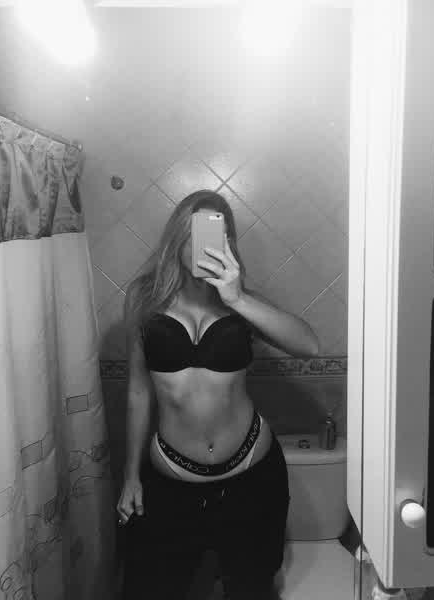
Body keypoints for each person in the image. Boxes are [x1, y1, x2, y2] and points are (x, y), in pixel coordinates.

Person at [116, 190, 320, 600]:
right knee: (151, 587)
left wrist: (237, 298)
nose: (207, 246)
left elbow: (309, 346)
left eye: (219, 236)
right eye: (197, 234)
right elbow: (139, 392)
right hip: (170, 482)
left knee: (250, 589)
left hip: (252, 476)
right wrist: (130, 476)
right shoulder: (144, 298)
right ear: (178, 237)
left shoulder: (240, 301)